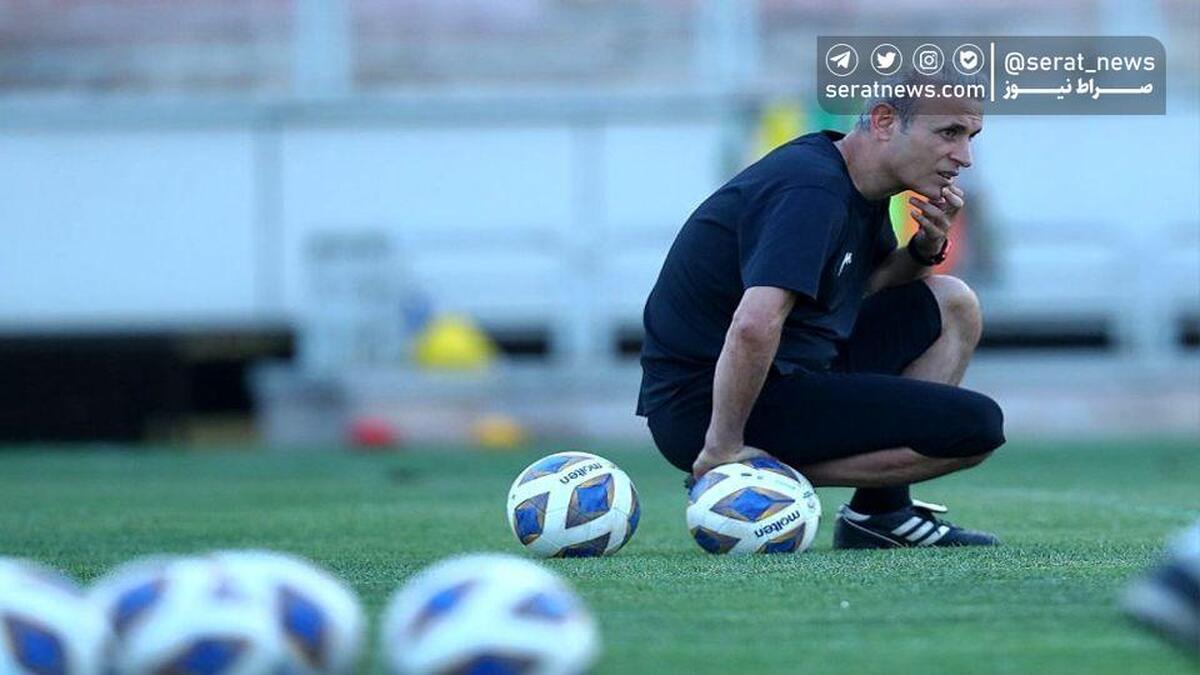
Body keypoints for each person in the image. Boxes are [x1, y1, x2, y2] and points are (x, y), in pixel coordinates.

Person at [636, 70, 1005, 548]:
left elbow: (864, 285)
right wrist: (722, 446)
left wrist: (924, 249)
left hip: (795, 368)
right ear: (884, 121)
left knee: (952, 302)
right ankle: (736, 473)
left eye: (971, 137)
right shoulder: (812, 188)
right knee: (974, 428)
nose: (964, 156)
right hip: (707, 404)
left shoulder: (861, 182)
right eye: (949, 133)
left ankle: (881, 515)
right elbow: (754, 324)